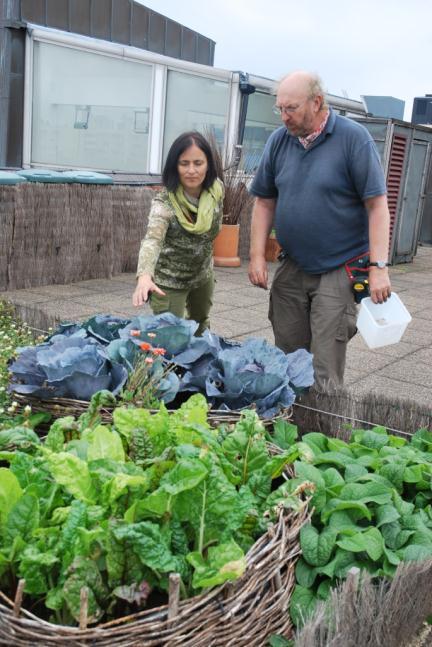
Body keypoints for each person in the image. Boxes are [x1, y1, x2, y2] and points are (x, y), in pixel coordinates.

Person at [248, 71, 391, 391]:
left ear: (317, 102)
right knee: (286, 361)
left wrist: (379, 267)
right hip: (292, 265)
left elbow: (377, 207)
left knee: (323, 372)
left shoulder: (353, 139)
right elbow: (264, 202)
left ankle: (322, 436)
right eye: (280, 109)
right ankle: (287, 435)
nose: (284, 117)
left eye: (291, 109)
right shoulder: (279, 141)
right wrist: (257, 255)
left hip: (338, 269)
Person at [133, 131, 224, 335]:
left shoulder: (217, 191)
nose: (191, 170)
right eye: (184, 163)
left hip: (202, 275)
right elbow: (152, 240)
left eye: (198, 163)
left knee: (201, 326)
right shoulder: (163, 204)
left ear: (208, 164)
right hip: (169, 281)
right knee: (170, 336)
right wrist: (144, 276)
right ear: (175, 166)